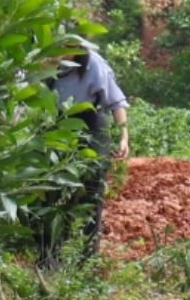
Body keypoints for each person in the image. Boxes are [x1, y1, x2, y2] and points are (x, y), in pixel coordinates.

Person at [44, 42, 127, 261]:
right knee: (50, 191)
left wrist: (123, 135)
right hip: (57, 125)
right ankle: (49, 255)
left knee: (91, 191)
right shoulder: (49, 63)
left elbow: (115, 101)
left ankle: (87, 257)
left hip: (90, 126)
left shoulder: (94, 64)